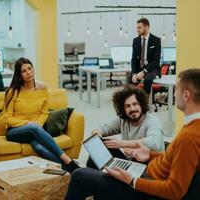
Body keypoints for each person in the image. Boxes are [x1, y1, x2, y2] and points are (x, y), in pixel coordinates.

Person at [65, 68, 200, 200]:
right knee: (98, 162)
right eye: (128, 106)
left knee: (79, 175)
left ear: (186, 95)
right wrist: (149, 155)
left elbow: (175, 191)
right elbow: (174, 159)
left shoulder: (188, 137)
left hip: (145, 188)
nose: (174, 94)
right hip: (144, 173)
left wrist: (132, 181)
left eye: (176, 89)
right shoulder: (192, 128)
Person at [3, 57, 79, 172]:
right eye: (24, 71)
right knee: (33, 128)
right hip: (15, 131)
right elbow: (7, 118)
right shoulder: (12, 91)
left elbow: (44, 112)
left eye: (30, 68)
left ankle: (70, 170)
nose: (28, 72)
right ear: (19, 75)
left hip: (35, 130)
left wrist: (37, 124)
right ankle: (69, 161)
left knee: (39, 147)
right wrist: (29, 124)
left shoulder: (42, 88)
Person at [87, 85, 164, 169]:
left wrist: (121, 144)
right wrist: (97, 134)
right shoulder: (123, 120)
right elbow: (102, 128)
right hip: (131, 162)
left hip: (149, 167)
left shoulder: (152, 120)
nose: (132, 109)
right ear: (123, 109)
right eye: (128, 106)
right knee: (95, 154)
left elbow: (154, 143)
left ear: (141, 104)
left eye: (135, 104)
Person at [131, 18, 161, 94]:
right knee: (128, 86)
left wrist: (144, 72)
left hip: (152, 69)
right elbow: (134, 59)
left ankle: (144, 104)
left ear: (147, 27)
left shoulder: (156, 40)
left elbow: (156, 61)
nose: (137, 30)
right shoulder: (136, 40)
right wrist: (134, 73)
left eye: (139, 28)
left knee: (147, 81)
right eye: (137, 28)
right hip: (139, 69)